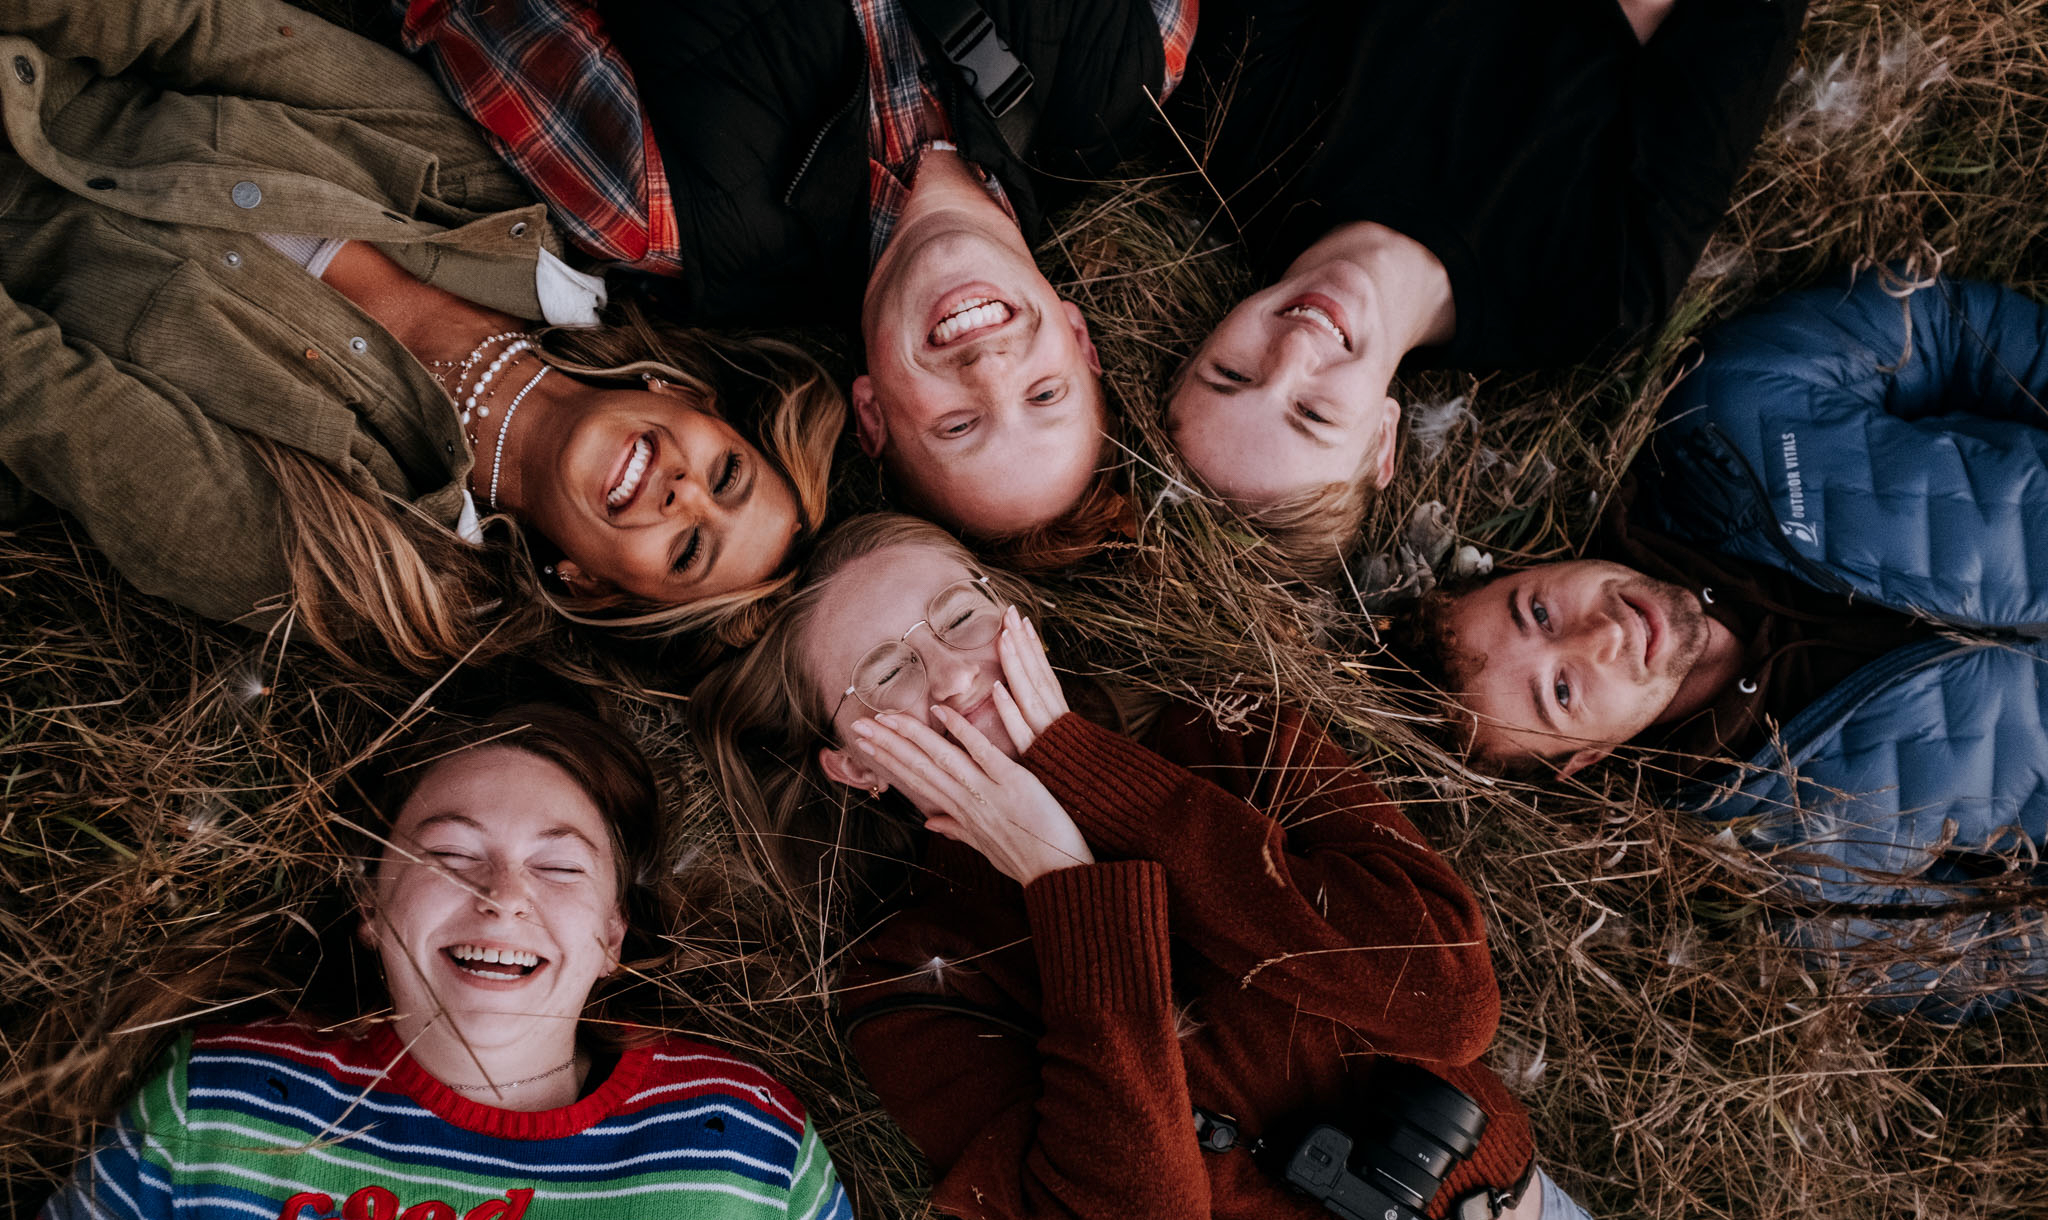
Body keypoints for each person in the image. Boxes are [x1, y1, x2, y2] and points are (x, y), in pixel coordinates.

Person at [690, 513, 1709, 1220]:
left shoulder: (1220, 733)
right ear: (853, 767)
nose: (955, 675)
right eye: (887, 671)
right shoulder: (907, 980)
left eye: (960, 618)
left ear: (1018, 618)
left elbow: (1447, 1000)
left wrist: (1083, 768)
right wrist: (1067, 889)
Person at [0, 702, 901, 1220]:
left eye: (557, 866)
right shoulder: (223, 1106)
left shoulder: (743, 1139)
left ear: (613, 934)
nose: (504, 893)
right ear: (369, 900)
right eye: (450, 853)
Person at [0, 0, 843, 670]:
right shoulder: (498, 212)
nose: (682, 493)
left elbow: (38, 396)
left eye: (689, 550)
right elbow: (203, 27)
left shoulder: (346, 545)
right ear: (688, 398)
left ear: (591, 589)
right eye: (726, 473)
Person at [1395, 270, 2048, 1021]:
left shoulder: (1729, 411)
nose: (1601, 634)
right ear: (1586, 759)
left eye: (1538, 611)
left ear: (1529, 564)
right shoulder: (1804, 874)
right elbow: (1990, 952)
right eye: (1563, 691)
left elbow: (1939, 324)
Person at [398, 0, 1197, 561]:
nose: (988, 371)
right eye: (1044, 395)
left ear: (873, 412)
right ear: (1078, 335)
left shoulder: (654, 207)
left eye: (958, 426)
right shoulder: (1131, 59)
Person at [1163, 0, 1806, 577]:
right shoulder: (1589, 296)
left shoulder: (1229, 137)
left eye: (1232, 373)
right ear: (1382, 440)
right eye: (1314, 413)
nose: (1295, 351)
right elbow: (1743, 31)